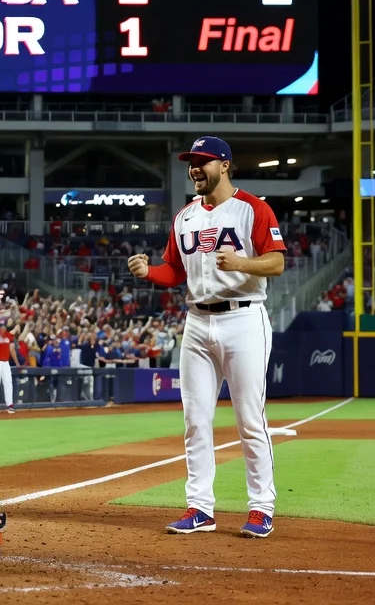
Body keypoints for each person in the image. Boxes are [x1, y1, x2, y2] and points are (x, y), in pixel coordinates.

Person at [128, 135, 286, 539]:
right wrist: (149, 273)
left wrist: (241, 262)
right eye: (191, 163)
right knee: (195, 420)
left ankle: (261, 509)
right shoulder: (185, 216)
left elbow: (277, 262)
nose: (195, 168)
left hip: (244, 319)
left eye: (203, 161)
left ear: (225, 165)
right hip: (197, 322)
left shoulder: (254, 209)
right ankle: (200, 508)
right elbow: (174, 272)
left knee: (250, 419)